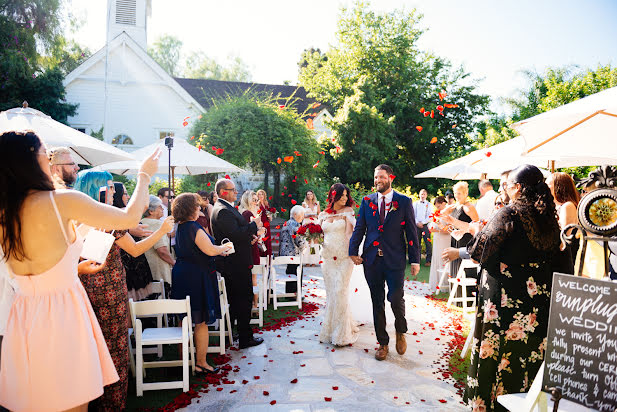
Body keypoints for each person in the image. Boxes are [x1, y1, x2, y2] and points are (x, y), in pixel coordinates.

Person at [0, 131, 160, 412]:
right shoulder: (61, 201)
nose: (48, 160)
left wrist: (73, 269)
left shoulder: (5, 212)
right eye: (44, 153)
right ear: (30, 159)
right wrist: (144, 175)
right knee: (72, 403)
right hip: (62, 314)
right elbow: (129, 217)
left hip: (23, 315)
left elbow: (35, 266)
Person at [463, 165, 573, 412]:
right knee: (529, 353)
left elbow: (477, 252)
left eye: (508, 185)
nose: (506, 190)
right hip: (537, 302)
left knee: (501, 352)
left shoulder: (507, 215)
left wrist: (476, 229)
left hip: (504, 301)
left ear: (519, 188)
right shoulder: (549, 218)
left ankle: (493, 404)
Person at [74, 170, 174, 411]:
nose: (112, 193)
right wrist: (161, 231)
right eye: (108, 188)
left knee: (89, 350)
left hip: (80, 289)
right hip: (108, 293)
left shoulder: (72, 220)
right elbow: (136, 250)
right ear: (96, 190)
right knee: (114, 349)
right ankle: (112, 405)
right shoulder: (108, 220)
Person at [349, 164, 420, 361]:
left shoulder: (404, 202)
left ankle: (400, 330)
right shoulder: (366, 201)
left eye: (381, 177)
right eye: (375, 177)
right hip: (371, 260)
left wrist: (415, 259)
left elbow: (411, 232)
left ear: (390, 178)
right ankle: (383, 343)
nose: (377, 180)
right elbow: (360, 228)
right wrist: (352, 251)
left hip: (395, 259)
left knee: (396, 298)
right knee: (377, 301)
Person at [170, 193, 233, 374]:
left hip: (182, 273)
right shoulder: (193, 227)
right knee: (201, 321)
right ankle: (201, 363)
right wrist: (224, 248)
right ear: (190, 209)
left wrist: (217, 251)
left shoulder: (180, 226)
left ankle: (184, 360)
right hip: (196, 276)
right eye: (197, 206)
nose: (200, 208)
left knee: (184, 318)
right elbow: (211, 250)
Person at [211, 179, 266, 349]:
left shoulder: (226, 208)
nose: (236, 192)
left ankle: (237, 333)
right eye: (233, 190)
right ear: (222, 192)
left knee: (238, 300)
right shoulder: (222, 211)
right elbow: (235, 234)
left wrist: (249, 240)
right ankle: (245, 337)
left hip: (237, 259)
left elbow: (236, 236)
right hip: (235, 264)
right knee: (243, 298)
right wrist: (253, 225)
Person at [318, 183, 359, 346]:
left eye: (346, 196)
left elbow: (349, 233)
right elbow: (319, 236)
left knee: (340, 290)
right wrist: (313, 237)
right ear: (333, 195)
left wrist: (352, 252)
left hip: (343, 257)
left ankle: (341, 334)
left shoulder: (348, 212)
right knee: (332, 293)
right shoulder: (322, 215)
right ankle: (330, 329)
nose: (344, 198)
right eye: (341, 195)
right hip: (327, 257)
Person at [113, 182, 156, 301]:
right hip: (129, 263)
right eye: (125, 194)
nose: (127, 197)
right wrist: (144, 180)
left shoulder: (122, 213)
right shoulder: (119, 214)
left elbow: (145, 205)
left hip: (136, 262)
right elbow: (145, 205)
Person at [442, 181, 479, 277]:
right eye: (455, 193)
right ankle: (455, 291)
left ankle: (468, 291)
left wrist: (463, 230)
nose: (456, 196)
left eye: (459, 193)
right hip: (455, 239)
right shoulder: (454, 206)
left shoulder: (469, 207)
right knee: (455, 269)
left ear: (466, 193)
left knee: (465, 272)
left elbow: (477, 226)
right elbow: (441, 214)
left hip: (465, 241)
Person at [546, 172, 580, 266]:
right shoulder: (558, 206)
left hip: (565, 257)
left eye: (548, 186)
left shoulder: (567, 206)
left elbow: (565, 236)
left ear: (559, 187)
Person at [142, 195, 175, 290]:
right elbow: (162, 250)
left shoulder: (141, 223)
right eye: (160, 207)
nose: (163, 209)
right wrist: (173, 262)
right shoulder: (157, 224)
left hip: (148, 270)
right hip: (160, 270)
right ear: (151, 211)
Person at [238, 190, 262, 308]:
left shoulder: (248, 212)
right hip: (250, 249)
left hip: (251, 247)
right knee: (253, 277)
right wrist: (259, 232)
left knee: (253, 277)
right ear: (247, 200)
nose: (256, 202)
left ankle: (254, 304)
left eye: (257, 200)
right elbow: (249, 232)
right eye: (253, 200)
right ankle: (255, 305)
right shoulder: (247, 213)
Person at [279, 205, 307, 294]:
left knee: (290, 271)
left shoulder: (287, 223)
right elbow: (298, 239)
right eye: (302, 214)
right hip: (293, 254)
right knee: (297, 272)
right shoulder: (295, 224)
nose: (303, 217)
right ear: (295, 214)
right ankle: (296, 293)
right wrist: (304, 246)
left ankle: (289, 293)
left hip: (285, 254)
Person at [428, 196, 450, 293]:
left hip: (445, 239)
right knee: (436, 258)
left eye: (438, 206)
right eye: (436, 207)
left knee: (443, 259)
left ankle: (445, 283)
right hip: (437, 238)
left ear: (443, 203)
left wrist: (436, 230)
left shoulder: (449, 212)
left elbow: (448, 230)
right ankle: (436, 282)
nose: (438, 208)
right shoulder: (438, 213)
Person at [413, 189, 433, 266]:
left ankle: (428, 260)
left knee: (427, 243)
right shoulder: (415, 204)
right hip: (416, 225)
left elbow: (430, 216)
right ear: (419, 195)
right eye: (421, 194)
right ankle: (417, 260)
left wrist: (423, 222)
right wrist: (417, 222)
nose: (422, 196)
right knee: (416, 242)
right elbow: (412, 214)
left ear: (426, 195)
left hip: (425, 225)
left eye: (424, 194)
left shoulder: (429, 204)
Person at [302, 190, 321, 266]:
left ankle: (313, 261)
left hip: (315, 224)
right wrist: (308, 216)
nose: (309, 196)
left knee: (314, 243)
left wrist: (315, 216)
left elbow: (319, 214)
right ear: (306, 196)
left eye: (311, 194)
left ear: (313, 195)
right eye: (308, 194)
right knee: (308, 242)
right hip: (307, 223)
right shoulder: (304, 204)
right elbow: (302, 215)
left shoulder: (317, 203)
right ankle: (307, 260)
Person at [256, 189, 273, 258]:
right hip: (261, 223)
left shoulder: (266, 203)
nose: (261, 196)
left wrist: (270, 216)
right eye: (259, 194)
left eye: (262, 194)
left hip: (267, 223)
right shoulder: (257, 204)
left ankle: (267, 255)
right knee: (262, 239)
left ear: (264, 195)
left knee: (267, 239)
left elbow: (270, 216)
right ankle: (261, 255)